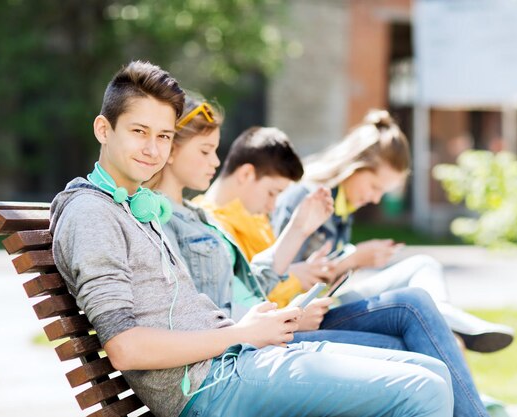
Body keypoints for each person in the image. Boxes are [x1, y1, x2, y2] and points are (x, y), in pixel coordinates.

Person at [49, 61, 454, 417]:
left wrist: (247, 331)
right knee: (425, 388)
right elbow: (126, 348)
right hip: (211, 386)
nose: (153, 149)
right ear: (104, 129)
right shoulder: (92, 213)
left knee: (432, 371)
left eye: (165, 136)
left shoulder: (137, 207)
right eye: (140, 132)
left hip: (237, 359)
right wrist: (241, 333)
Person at [157, 96, 491, 417]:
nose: (215, 161)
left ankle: (446, 325)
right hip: (245, 356)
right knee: (414, 332)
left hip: (269, 334)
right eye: (205, 151)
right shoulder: (174, 219)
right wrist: (324, 277)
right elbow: (215, 312)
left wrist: (300, 232)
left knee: (427, 355)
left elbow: (243, 288)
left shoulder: (199, 219)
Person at [269, 110, 514, 353]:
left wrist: (353, 262)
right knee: (415, 299)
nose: (375, 198)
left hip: (327, 303)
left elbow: (326, 280)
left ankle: (445, 315)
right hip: (305, 315)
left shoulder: (343, 207)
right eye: (374, 186)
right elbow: (282, 274)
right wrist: (353, 259)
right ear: (353, 167)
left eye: (382, 192)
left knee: (423, 265)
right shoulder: (307, 198)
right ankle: (445, 319)